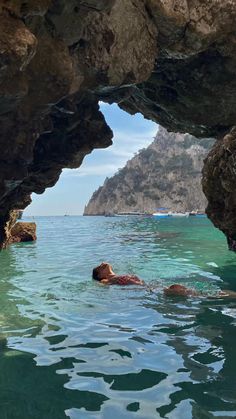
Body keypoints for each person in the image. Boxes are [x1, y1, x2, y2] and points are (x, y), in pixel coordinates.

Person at [92, 263, 236, 298]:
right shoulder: (105, 281)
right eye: (100, 267)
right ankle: (224, 295)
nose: (103, 262)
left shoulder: (116, 275)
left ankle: (224, 294)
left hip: (149, 285)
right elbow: (101, 287)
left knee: (188, 291)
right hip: (146, 289)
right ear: (100, 275)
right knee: (180, 289)